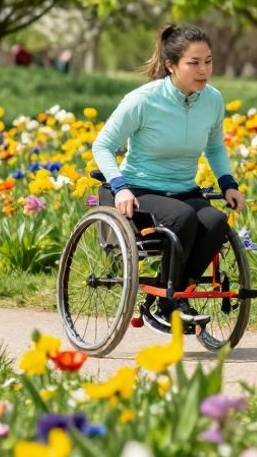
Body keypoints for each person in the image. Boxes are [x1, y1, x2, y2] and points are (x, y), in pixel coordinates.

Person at [91, 25, 246, 329]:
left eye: (208, 61)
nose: (204, 70)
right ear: (170, 66)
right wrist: (119, 187)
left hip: (184, 189)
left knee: (216, 222)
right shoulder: (143, 100)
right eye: (194, 63)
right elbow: (102, 145)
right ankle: (170, 301)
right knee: (183, 218)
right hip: (141, 190)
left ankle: (175, 293)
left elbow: (215, 147)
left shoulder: (212, 100)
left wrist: (228, 183)